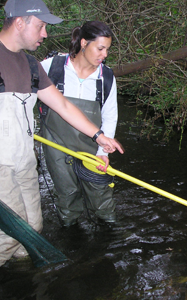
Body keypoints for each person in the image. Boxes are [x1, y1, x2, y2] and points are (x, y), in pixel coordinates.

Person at [0, 0, 124, 282]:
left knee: (32, 228)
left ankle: (19, 278)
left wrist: (100, 137)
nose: (45, 34)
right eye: (41, 26)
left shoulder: (31, 64)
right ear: (20, 22)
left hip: (25, 162)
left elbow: (62, 106)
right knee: (9, 234)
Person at [40, 21, 119, 227]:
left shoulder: (107, 77)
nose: (105, 55)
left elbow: (109, 116)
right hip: (55, 142)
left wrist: (103, 151)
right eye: (100, 48)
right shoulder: (51, 68)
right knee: (67, 193)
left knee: (101, 192)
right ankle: (70, 232)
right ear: (84, 43)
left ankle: (109, 229)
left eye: (107, 50)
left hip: (92, 144)